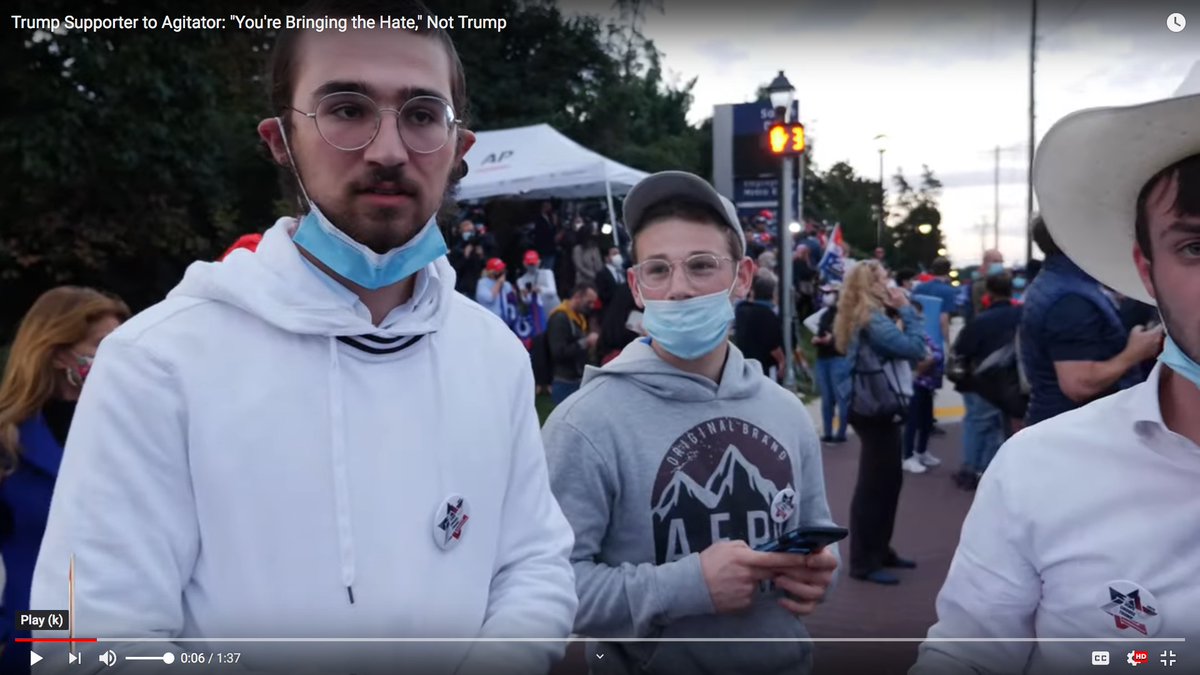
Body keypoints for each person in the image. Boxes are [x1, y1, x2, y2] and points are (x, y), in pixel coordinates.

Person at [30, 4, 578, 673]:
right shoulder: (154, 363)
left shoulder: (493, 355)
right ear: (280, 140)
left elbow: (536, 561)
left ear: (459, 147)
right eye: (346, 108)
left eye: (422, 113)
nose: (387, 149)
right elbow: (76, 637)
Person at [913, 78, 1200, 674]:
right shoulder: (1043, 471)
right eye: (1196, 246)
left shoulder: (1052, 295)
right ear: (1146, 269)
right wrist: (1128, 354)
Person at [543, 171, 840, 675]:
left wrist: (814, 576)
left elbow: (810, 538)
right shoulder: (583, 425)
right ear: (636, 286)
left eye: (702, 266)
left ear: (742, 277)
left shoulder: (785, 410)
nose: (679, 289)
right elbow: (550, 589)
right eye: (658, 270)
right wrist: (689, 586)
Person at [0, 287, 128, 675]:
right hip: (31, 634)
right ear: (58, 353)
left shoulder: (131, 433)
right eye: (103, 346)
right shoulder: (8, 444)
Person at [1018, 215, 1163, 426]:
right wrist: (1134, 353)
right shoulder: (1070, 299)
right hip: (1074, 431)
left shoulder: (1059, 283)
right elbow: (1078, 384)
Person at [835, 259, 928, 586]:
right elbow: (915, 349)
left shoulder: (860, 316)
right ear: (871, 284)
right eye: (884, 278)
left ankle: (879, 549)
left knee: (885, 482)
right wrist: (908, 311)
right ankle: (864, 560)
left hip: (868, 406)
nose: (889, 283)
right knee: (877, 485)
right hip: (877, 409)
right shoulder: (872, 320)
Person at [948, 272, 1023, 490]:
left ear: (988, 292)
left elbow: (962, 351)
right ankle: (990, 473)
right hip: (1011, 384)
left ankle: (970, 470)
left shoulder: (979, 321)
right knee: (999, 428)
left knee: (976, 425)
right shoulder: (1022, 314)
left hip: (980, 383)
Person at [900, 298, 944, 475]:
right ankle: (907, 455)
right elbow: (916, 362)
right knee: (912, 421)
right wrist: (932, 359)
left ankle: (922, 451)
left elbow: (936, 352)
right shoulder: (903, 337)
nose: (920, 319)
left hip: (927, 383)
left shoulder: (922, 335)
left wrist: (932, 359)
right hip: (913, 384)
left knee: (926, 420)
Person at [546, 282, 599, 405]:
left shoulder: (578, 317)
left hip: (577, 379)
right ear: (578, 296)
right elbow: (558, 352)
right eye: (589, 302)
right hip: (565, 382)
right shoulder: (560, 318)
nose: (591, 306)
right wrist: (585, 342)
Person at [812, 284, 850, 444]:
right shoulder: (825, 314)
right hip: (823, 357)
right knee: (827, 398)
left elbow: (847, 337)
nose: (827, 296)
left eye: (830, 293)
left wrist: (830, 339)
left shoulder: (845, 315)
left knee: (841, 397)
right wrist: (819, 340)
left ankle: (841, 433)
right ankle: (828, 432)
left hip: (838, 358)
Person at [734, 272, 786, 380]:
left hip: (743, 364)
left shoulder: (741, 310)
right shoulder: (768, 315)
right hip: (764, 368)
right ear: (773, 294)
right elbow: (773, 346)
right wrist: (782, 362)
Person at [475, 257, 516, 321]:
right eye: (499, 269)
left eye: (502, 269)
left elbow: (512, 299)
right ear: (491, 272)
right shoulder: (482, 283)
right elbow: (489, 298)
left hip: (505, 321)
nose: (502, 271)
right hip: (490, 320)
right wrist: (498, 283)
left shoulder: (506, 284)